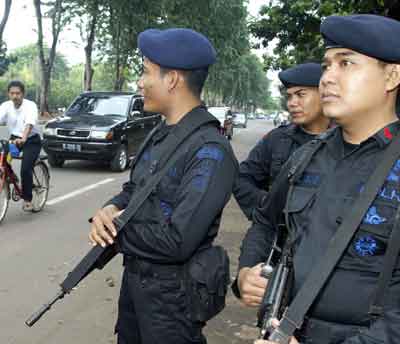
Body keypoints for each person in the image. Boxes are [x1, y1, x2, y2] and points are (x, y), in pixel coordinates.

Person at [238, 13, 400, 344]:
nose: (327, 77)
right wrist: (247, 272)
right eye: (327, 65)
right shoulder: (306, 156)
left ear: (392, 76)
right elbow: (266, 222)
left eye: (346, 64)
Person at [89, 28, 238, 344]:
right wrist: (110, 208)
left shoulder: (210, 151)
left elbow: (178, 240)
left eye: (146, 72)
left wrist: (115, 229)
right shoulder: (160, 134)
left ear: (172, 80)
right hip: (135, 288)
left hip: (172, 305)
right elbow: (137, 190)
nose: (140, 82)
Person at [233, 63, 330, 220]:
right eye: (289, 96)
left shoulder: (347, 140)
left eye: (300, 94)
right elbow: (242, 179)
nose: (292, 103)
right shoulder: (278, 139)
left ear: (324, 94)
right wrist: (268, 206)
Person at [0, 80, 41, 211]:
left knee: (25, 169)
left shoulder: (30, 106)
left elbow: (29, 123)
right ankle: (11, 176)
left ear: (23, 94)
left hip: (30, 140)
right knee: (2, 161)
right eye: (12, 93)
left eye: (18, 93)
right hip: (14, 140)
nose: (15, 96)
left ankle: (28, 199)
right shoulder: (6, 106)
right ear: (8, 94)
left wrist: (23, 138)